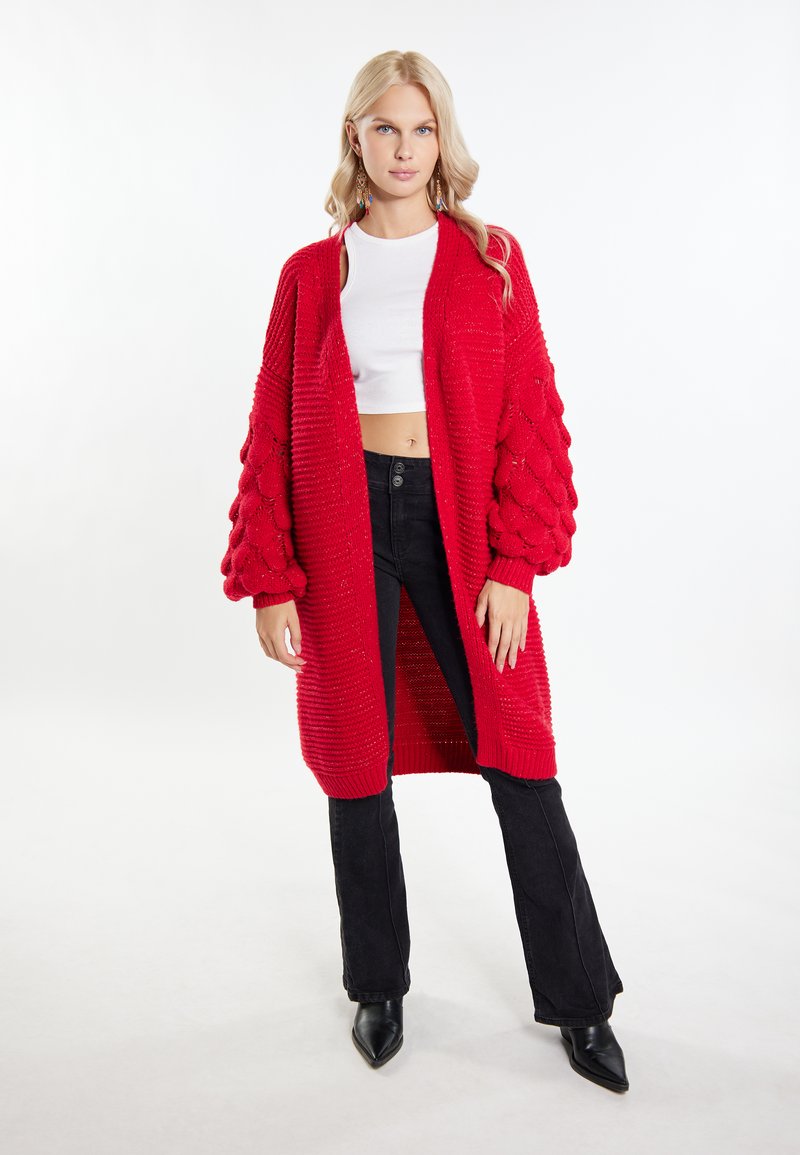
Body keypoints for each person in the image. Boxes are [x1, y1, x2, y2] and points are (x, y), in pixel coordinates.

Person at [220, 50, 628, 1093]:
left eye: (421, 129)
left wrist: (513, 564)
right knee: (354, 757)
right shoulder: (310, 276)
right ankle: (378, 984)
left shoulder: (490, 260)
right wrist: (272, 576)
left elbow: (530, 414)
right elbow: (272, 425)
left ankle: (579, 998)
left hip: (460, 526)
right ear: (354, 138)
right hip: (343, 519)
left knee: (519, 754)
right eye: (384, 129)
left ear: (442, 141)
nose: (403, 149)